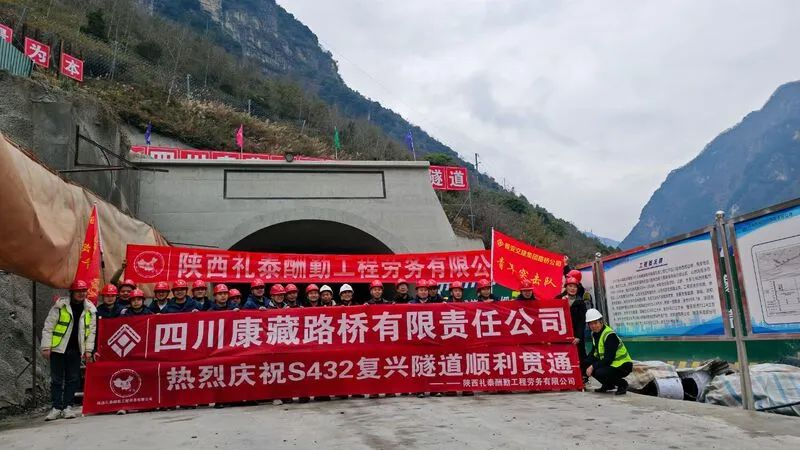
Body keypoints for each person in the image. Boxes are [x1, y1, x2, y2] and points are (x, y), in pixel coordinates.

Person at [41, 279, 97, 421]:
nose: (81, 293)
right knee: (56, 379)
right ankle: (56, 407)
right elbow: (48, 327)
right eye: (78, 291)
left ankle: (68, 407)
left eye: (83, 291)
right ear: (71, 292)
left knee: (73, 379)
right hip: (58, 348)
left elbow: (91, 332)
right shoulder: (60, 306)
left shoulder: (90, 309)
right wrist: (46, 346)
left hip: (76, 349)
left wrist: (88, 350)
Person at [582, 309, 633, 395]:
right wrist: (584, 365)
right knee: (586, 363)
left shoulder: (609, 335)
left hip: (622, 365)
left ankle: (622, 384)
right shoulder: (594, 334)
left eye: (595, 323)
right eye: (591, 324)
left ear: (601, 322)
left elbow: (608, 359)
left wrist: (592, 366)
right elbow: (593, 353)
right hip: (611, 363)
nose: (593, 326)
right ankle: (608, 385)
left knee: (599, 372)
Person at [564, 277, 588, 364]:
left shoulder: (581, 302)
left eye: (575, 287)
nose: (572, 289)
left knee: (580, 354)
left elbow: (582, 321)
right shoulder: (559, 299)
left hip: (576, 335)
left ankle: (583, 371)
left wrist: (578, 336)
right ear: (566, 287)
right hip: (563, 333)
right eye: (570, 286)